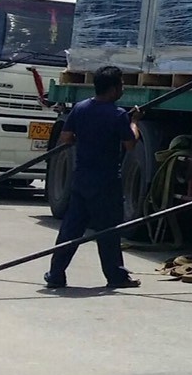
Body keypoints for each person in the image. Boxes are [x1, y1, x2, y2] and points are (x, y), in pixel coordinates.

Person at [44, 66, 142, 289]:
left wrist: (84, 139)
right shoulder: (118, 115)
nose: (123, 90)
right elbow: (130, 143)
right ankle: (115, 276)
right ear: (113, 88)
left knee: (71, 229)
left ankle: (56, 274)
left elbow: (66, 138)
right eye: (121, 85)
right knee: (108, 231)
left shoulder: (80, 108)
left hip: (82, 179)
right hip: (106, 182)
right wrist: (134, 122)